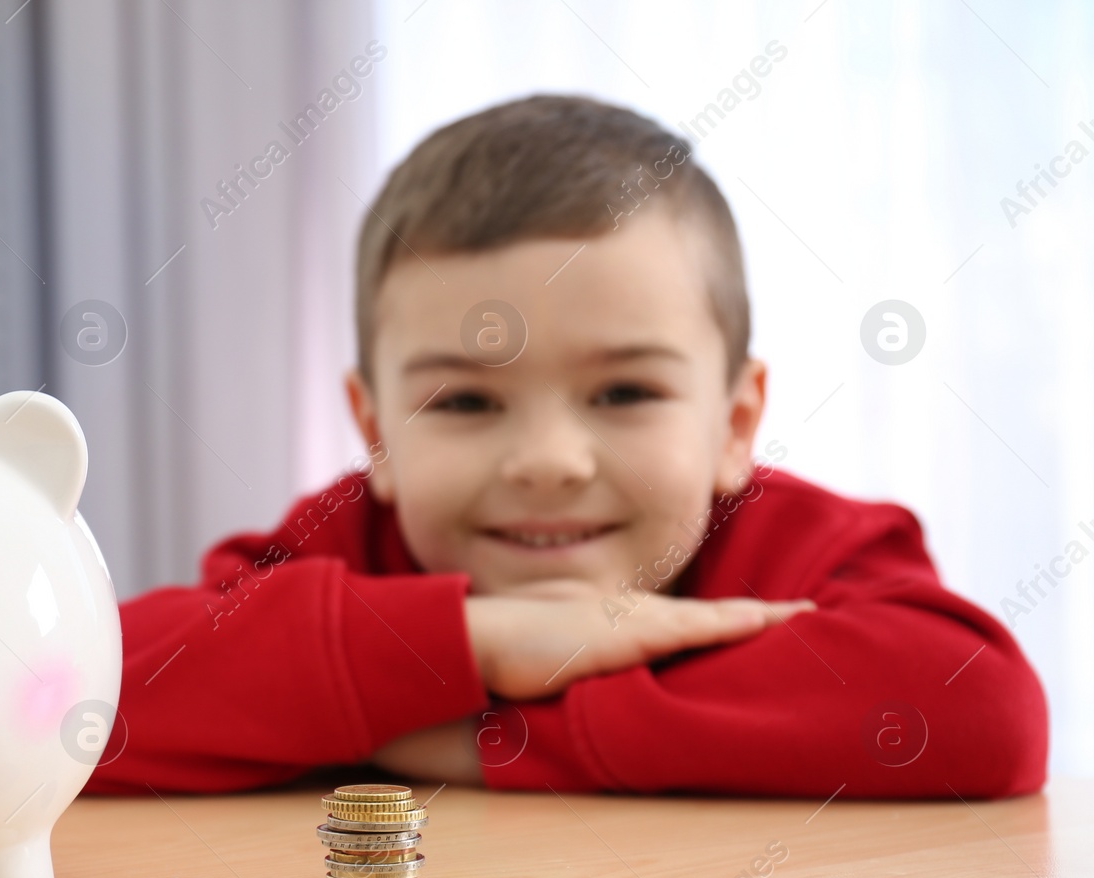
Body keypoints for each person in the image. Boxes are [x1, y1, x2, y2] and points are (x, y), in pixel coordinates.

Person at [85, 94, 1046, 799]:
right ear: (376, 433)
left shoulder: (800, 544)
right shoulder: (345, 550)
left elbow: (982, 713)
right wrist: (474, 640)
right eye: (464, 401)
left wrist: (478, 738)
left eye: (625, 391)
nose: (548, 460)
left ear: (735, 424)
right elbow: (68, 697)